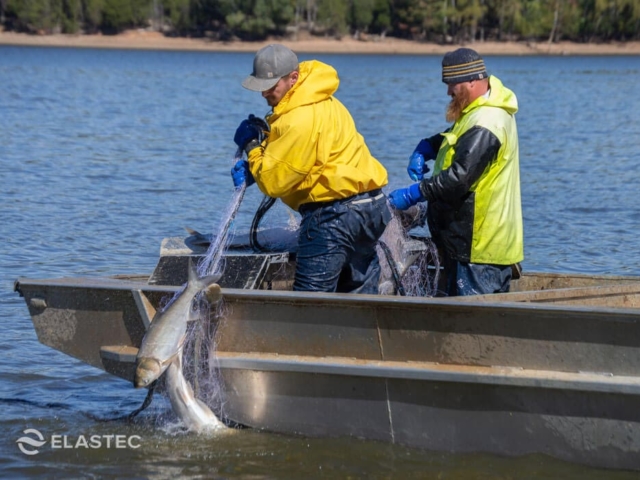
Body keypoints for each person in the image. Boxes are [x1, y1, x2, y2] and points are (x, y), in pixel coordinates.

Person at [231, 44, 391, 294]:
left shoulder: (297, 118)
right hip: (372, 207)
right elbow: (308, 157)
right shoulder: (324, 100)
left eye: (271, 86)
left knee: (310, 303)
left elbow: (273, 184)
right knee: (359, 300)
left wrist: (252, 147)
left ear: (293, 78)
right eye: (261, 86)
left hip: (335, 217)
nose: (264, 93)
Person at [388, 48, 523, 296]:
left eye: (452, 84)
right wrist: (429, 145)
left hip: (479, 247)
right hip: (470, 245)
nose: (449, 92)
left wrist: (415, 192)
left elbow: (459, 178)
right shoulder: (481, 110)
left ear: (472, 80)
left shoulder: (487, 121)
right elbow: (460, 140)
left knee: (472, 326)